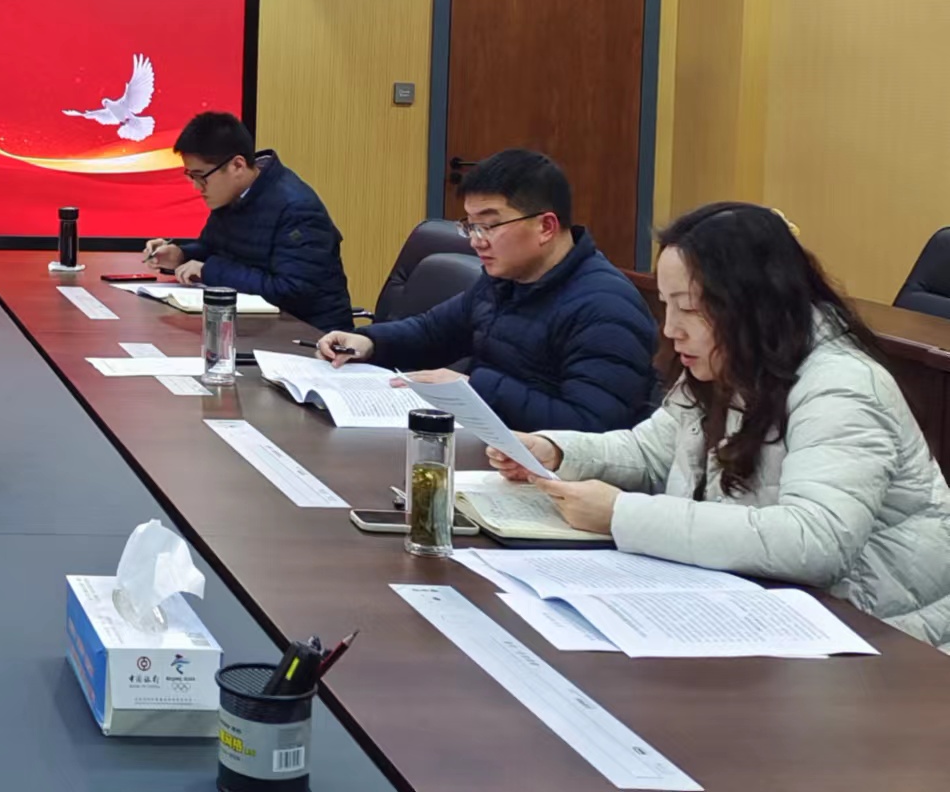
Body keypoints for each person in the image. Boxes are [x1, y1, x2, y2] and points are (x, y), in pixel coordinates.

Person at [487, 203, 950, 648]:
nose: (671, 329)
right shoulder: (728, 362)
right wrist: (557, 451)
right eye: (666, 306)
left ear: (753, 304)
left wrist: (621, 515)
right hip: (766, 610)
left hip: (882, 637)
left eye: (689, 308)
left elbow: (814, 541)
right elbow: (650, 453)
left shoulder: (842, 386)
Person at [316, 148, 656, 432]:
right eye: (471, 225)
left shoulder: (606, 308)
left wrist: (474, 389)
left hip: (548, 475)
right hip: (492, 447)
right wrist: (369, 342)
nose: (476, 241)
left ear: (546, 226)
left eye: (490, 225)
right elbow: (432, 332)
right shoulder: (504, 280)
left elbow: (593, 428)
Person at [140, 112, 355, 332]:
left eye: (201, 176)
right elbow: (213, 248)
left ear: (237, 166)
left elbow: (291, 290)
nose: (196, 186)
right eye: (191, 176)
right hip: (257, 328)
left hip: (312, 336)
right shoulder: (233, 195)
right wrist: (180, 255)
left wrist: (208, 271)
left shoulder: (297, 208)